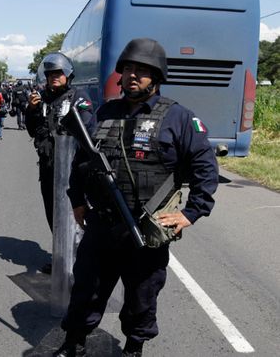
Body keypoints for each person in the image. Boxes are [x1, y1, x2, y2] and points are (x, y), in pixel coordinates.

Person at [53, 38, 219, 357]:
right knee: (87, 288)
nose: (132, 75)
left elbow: (205, 168)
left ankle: (134, 346)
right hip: (102, 223)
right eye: (127, 68)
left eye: (141, 70)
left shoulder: (178, 118)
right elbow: (82, 161)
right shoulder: (105, 112)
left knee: (142, 295)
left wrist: (190, 214)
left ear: (156, 77)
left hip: (145, 227)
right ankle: (74, 341)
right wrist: (77, 200)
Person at [26, 52, 93, 274]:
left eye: (58, 73)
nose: (54, 77)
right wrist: (32, 110)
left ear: (67, 74)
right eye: (50, 74)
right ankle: (62, 258)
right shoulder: (42, 98)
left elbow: (86, 130)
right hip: (48, 168)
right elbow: (33, 129)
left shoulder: (78, 97)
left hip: (71, 170)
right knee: (53, 215)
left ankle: (80, 261)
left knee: (73, 217)